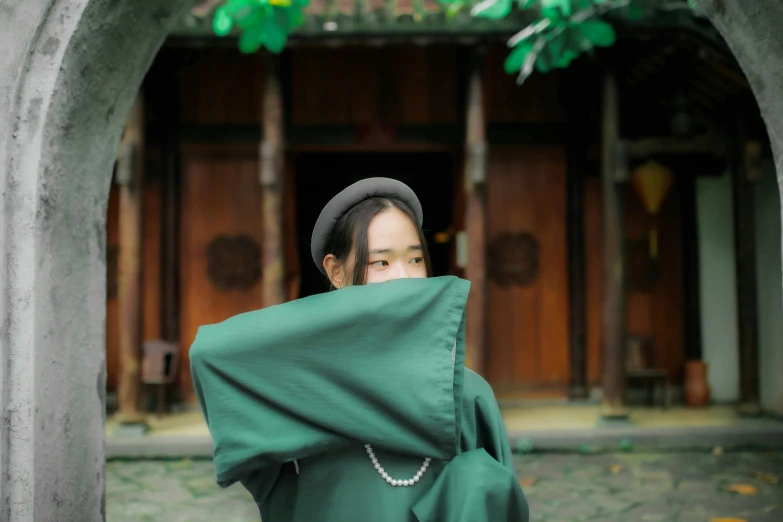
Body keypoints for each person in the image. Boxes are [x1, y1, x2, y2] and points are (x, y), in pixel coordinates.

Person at [190, 177, 529, 522]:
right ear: (336, 271)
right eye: (381, 263)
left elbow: (497, 504)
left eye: (415, 260)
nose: (405, 279)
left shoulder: (465, 392)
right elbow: (211, 353)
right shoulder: (306, 393)